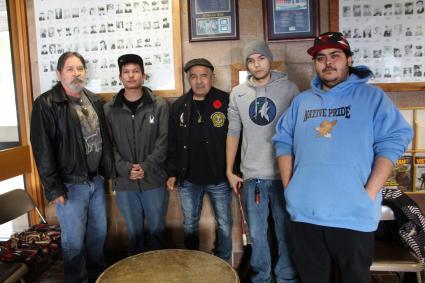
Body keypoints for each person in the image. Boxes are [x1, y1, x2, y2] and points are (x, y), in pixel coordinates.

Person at [273, 31, 413, 283]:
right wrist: (289, 188)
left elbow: (393, 141)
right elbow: (283, 141)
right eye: (321, 57)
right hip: (305, 215)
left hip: (353, 216)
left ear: (349, 60)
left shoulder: (373, 98)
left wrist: (368, 193)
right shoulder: (301, 102)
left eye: (335, 55)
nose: (328, 62)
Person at [30, 51, 113, 283]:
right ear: (59, 73)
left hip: (96, 181)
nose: (76, 73)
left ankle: (97, 277)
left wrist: (108, 173)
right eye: (70, 69)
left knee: (98, 235)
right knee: (74, 242)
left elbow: (103, 140)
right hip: (70, 184)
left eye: (80, 68)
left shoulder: (93, 99)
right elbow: (42, 149)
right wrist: (54, 188)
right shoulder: (46, 104)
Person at [226, 40, 299, 283]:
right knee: (257, 234)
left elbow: (299, 131)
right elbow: (233, 132)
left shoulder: (290, 89)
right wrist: (230, 170)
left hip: (284, 175)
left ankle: (286, 277)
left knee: (285, 231)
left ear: (270, 60)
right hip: (253, 176)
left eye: (261, 58)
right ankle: (262, 277)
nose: (256, 64)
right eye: (251, 60)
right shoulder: (238, 93)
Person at [166, 58, 232, 261]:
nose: (199, 81)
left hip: (219, 177)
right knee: (190, 223)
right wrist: (172, 173)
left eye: (204, 75)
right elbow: (172, 143)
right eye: (193, 76)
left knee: (224, 223)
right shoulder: (179, 106)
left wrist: (234, 171)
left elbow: (237, 137)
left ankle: (223, 262)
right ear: (188, 79)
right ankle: (192, 263)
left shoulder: (226, 101)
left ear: (212, 77)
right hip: (188, 179)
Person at [104, 54, 168, 255]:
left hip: (153, 180)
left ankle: (158, 274)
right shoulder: (108, 109)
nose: (131, 76)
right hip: (125, 182)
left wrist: (146, 167)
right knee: (134, 235)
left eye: (135, 71)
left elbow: (164, 140)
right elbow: (108, 145)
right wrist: (125, 168)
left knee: (157, 232)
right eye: (126, 72)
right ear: (120, 77)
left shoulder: (159, 105)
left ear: (143, 75)